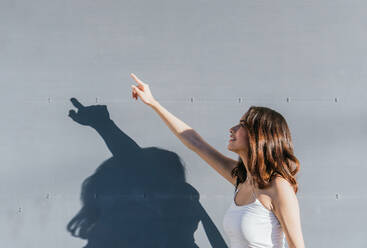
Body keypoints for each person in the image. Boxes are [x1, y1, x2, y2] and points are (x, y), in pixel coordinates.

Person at [130, 73, 306, 248]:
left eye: (242, 125)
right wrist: (154, 103)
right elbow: (195, 143)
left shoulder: (278, 187)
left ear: (260, 136)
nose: (232, 129)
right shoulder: (241, 179)